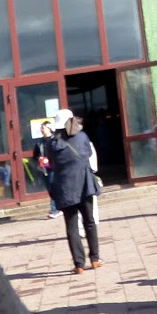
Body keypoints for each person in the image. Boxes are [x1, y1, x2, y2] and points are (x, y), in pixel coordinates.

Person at [47, 110, 101, 274]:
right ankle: (95, 259)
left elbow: (52, 163)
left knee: (72, 227)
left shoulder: (52, 144)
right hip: (84, 185)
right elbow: (88, 153)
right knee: (89, 222)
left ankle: (79, 264)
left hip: (64, 188)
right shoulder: (82, 137)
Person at [31, 119, 58, 217]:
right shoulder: (40, 142)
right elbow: (35, 155)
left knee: (53, 187)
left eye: (43, 128)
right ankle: (58, 207)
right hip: (44, 169)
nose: (41, 130)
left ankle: (55, 209)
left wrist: (50, 159)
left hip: (54, 168)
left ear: (49, 128)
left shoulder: (55, 140)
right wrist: (39, 158)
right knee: (50, 188)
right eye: (41, 128)